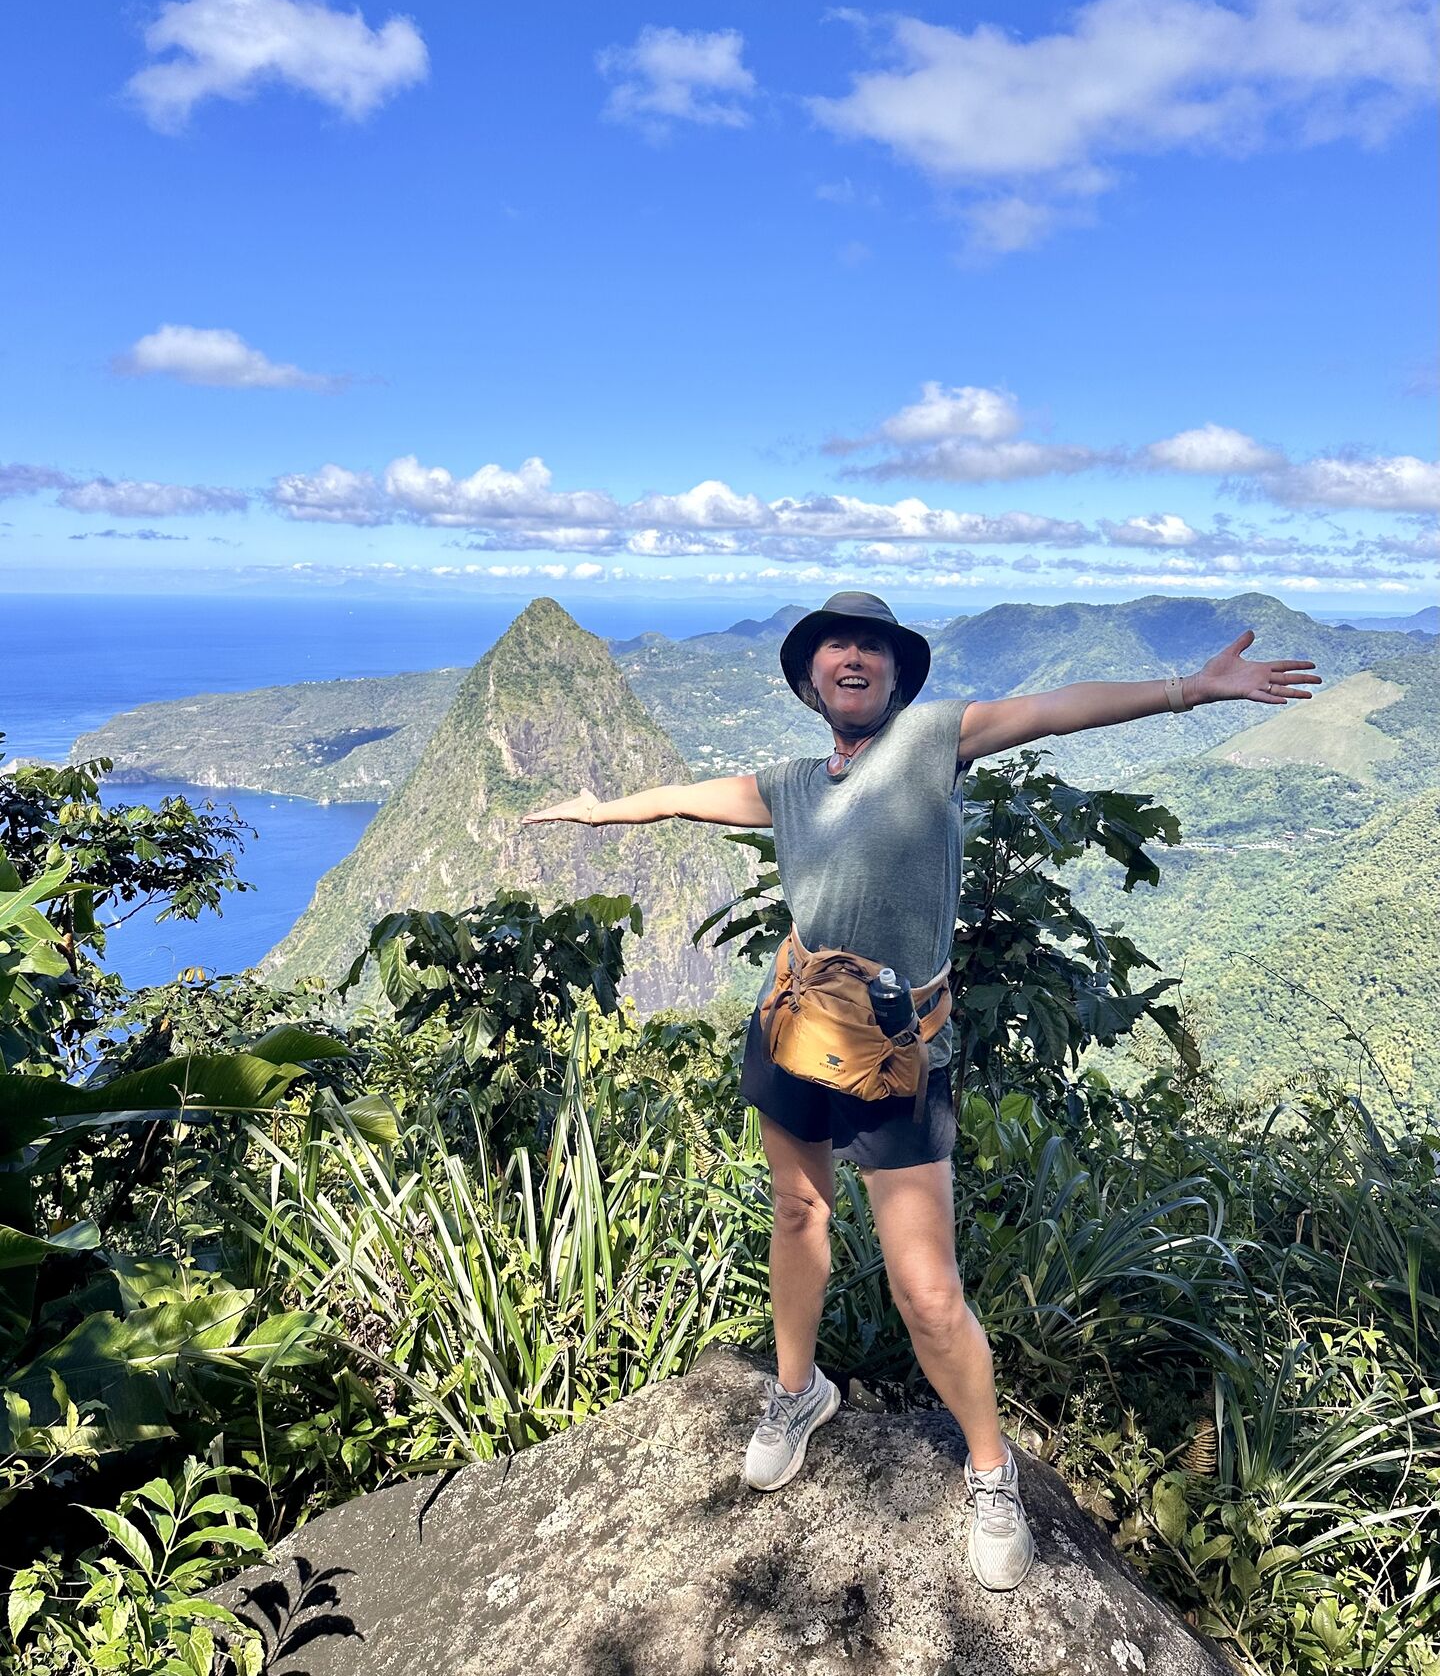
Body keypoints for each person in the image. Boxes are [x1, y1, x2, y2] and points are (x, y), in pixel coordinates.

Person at [522, 589, 1320, 1592]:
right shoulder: (790, 783)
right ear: (811, 680)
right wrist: (598, 811)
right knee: (795, 1209)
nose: (849, 657)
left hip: (900, 1051)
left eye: (869, 646)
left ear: (896, 675)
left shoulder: (936, 740)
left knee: (927, 1289)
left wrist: (1187, 692)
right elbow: (684, 796)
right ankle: (798, 1391)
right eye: (831, 647)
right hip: (794, 1021)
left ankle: (991, 1470)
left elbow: (1055, 707)